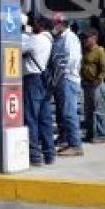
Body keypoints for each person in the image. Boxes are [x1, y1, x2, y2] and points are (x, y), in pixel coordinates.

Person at [21, 16, 55, 166]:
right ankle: (49, 154)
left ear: (40, 26)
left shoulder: (36, 39)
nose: (32, 26)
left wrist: (23, 34)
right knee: (45, 119)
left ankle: (34, 155)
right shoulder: (49, 40)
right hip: (43, 79)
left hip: (32, 79)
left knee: (31, 118)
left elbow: (16, 48)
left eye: (34, 25)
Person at [51, 13, 84, 157]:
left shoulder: (70, 38)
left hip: (67, 78)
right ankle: (68, 141)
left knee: (69, 113)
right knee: (63, 113)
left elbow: (71, 60)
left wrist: (60, 72)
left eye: (56, 23)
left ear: (62, 23)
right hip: (60, 78)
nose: (54, 26)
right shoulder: (59, 38)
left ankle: (76, 145)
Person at [81, 28, 105, 143]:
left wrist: (97, 81)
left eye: (87, 38)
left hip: (96, 84)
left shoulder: (99, 51)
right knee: (88, 111)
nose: (85, 40)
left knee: (99, 110)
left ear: (94, 38)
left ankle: (101, 135)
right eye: (84, 38)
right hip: (86, 84)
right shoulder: (84, 51)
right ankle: (91, 133)